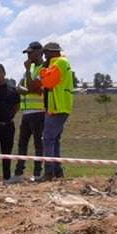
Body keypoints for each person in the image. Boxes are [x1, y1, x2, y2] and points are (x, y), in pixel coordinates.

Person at [38, 41, 74, 181]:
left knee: (48, 138)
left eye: (45, 52)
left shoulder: (59, 62)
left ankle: (49, 172)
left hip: (57, 107)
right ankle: (57, 171)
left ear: (52, 52)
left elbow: (48, 82)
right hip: (57, 106)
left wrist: (42, 71)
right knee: (54, 139)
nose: (44, 56)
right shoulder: (59, 62)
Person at [14, 41, 45, 182]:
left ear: (40, 52)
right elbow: (19, 86)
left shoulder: (44, 68)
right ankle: (19, 174)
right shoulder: (31, 69)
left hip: (39, 112)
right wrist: (28, 90)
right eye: (27, 53)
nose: (28, 55)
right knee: (22, 144)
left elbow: (32, 87)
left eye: (31, 52)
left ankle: (37, 174)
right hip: (26, 113)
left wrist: (27, 73)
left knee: (38, 144)